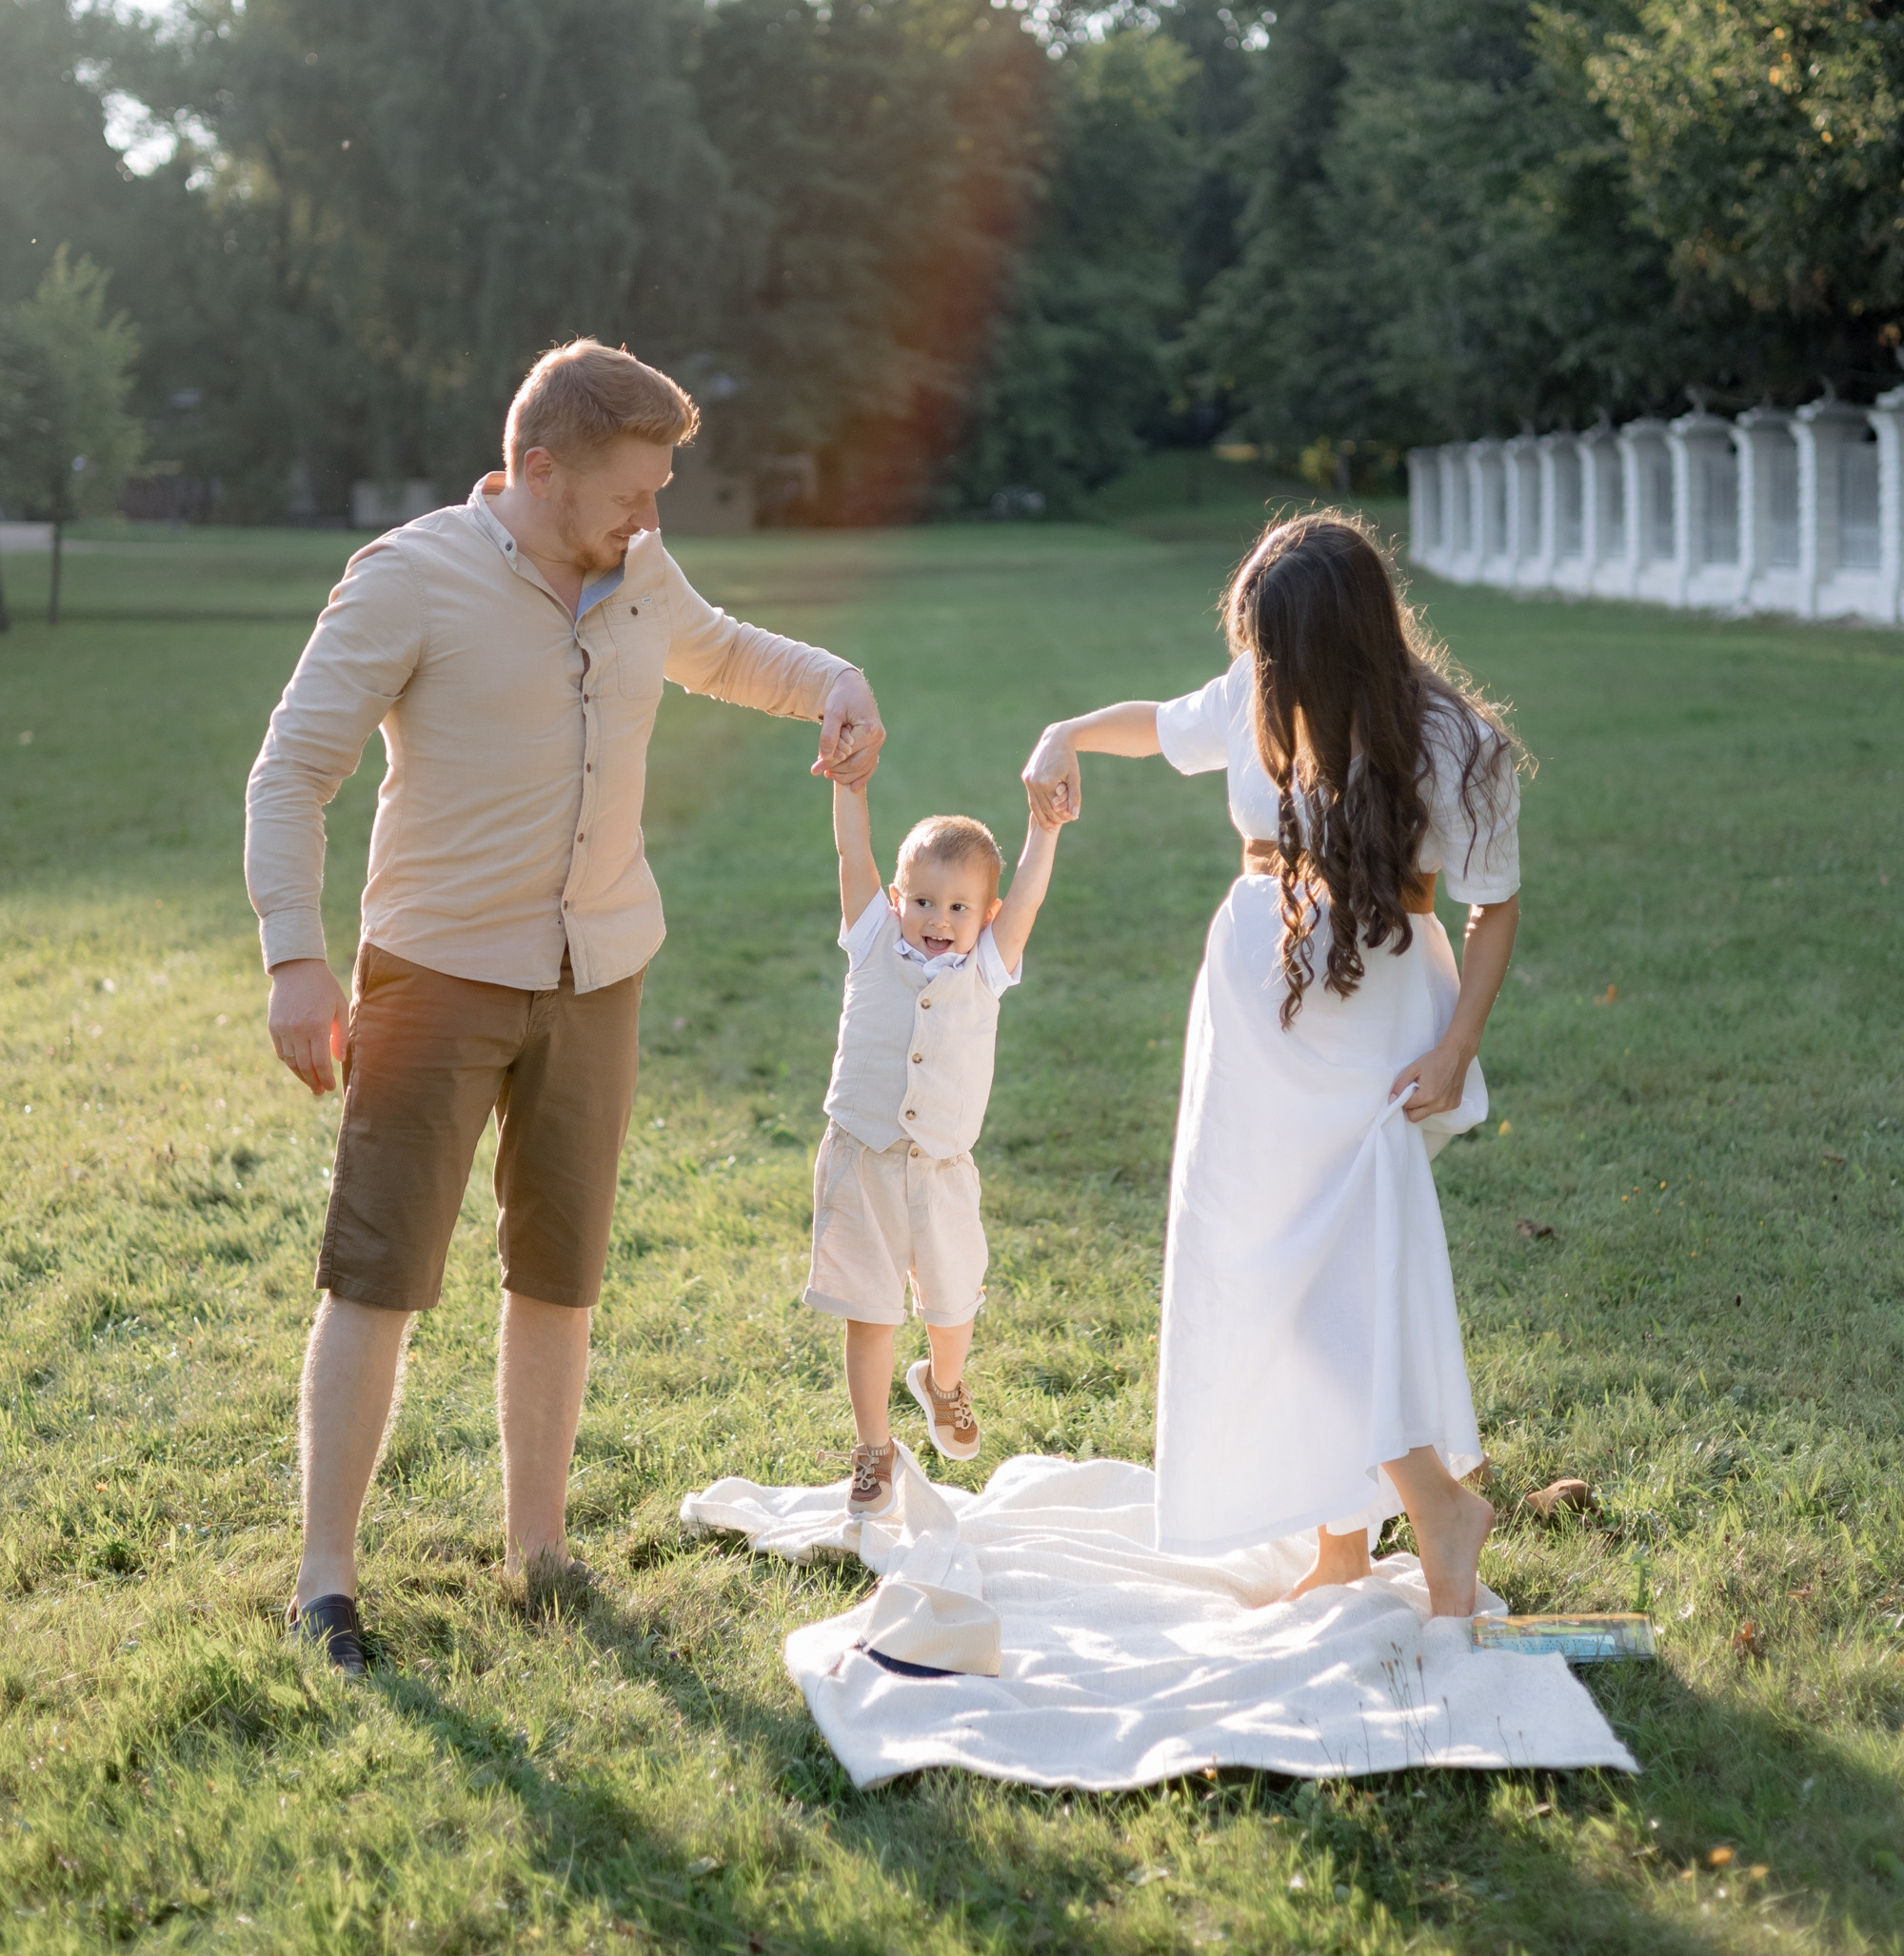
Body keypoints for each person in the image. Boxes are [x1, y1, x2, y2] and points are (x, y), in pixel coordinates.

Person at [247, 340, 883, 1673]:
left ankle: (537, 1550)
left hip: (598, 977)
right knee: (378, 1276)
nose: (651, 521)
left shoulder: (639, 571)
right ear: (537, 470)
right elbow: (291, 771)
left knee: (561, 1275)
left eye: (658, 495)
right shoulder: (410, 579)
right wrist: (295, 959)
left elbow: (723, 652)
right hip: (436, 978)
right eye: (631, 494)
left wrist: (835, 680)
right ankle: (324, 1581)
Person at [1021, 511, 1520, 1617]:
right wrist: (1064, 731)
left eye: (1277, 646)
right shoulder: (1259, 687)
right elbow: (1158, 724)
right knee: (1262, 1268)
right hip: (1256, 1016)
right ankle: (1338, 1544)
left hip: (1373, 1024)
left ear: (1340, 640)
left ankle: (1434, 1503)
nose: (1259, 667)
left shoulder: (1452, 744)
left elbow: (1494, 905)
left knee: (1326, 1276)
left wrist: (1455, 1046)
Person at [803, 781, 1063, 1517]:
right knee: (870, 1310)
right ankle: (873, 1448)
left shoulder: (986, 966)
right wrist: (850, 787)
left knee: (952, 1308)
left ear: (988, 917)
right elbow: (851, 850)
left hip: (943, 1171)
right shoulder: (871, 937)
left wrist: (1044, 830)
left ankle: (943, 1382)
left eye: (958, 908)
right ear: (896, 899)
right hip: (863, 1160)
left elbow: (1031, 898)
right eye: (922, 902)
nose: (937, 920)